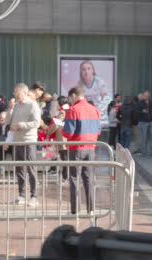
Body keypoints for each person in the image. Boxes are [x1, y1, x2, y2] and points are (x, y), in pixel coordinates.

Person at [62, 86, 101, 215]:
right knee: (89, 178)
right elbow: (98, 130)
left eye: (69, 98)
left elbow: (68, 133)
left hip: (76, 148)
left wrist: (62, 128)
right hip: (91, 147)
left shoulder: (73, 110)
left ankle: (75, 210)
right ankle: (91, 209)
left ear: (73, 96)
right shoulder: (94, 110)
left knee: (74, 178)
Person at [6, 83, 41, 207]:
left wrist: (20, 125)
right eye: (14, 92)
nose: (15, 94)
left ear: (24, 93)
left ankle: (34, 196)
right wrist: (10, 109)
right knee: (19, 169)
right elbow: (7, 121)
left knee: (31, 169)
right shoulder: (15, 106)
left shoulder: (33, 105)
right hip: (17, 142)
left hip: (28, 141)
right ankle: (21, 195)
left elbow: (36, 123)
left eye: (17, 92)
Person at [77, 60, 109, 125]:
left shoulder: (99, 82)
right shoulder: (79, 85)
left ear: (93, 70)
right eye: (83, 69)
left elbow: (106, 98)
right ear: (81, 72)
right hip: (85, 114)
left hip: (98, 112)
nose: (86, 72)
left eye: (88, 69)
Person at [46, 96, 70, 183]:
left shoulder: (62, 112)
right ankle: (66, 177)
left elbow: (57, 124)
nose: (55, 104)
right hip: (67, 138)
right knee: (66, 158)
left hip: (62, 138)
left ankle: (65, 178)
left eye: (56, 102)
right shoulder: (68, 110)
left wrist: (49, 132)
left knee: (65, 159)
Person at [137, 90, 152, 158]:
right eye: (145, 96)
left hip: (150, 122)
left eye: (148, 96)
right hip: (143, 122)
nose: (147, 97)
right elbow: (136, 111)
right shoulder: (140, 103)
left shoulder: (150, 102)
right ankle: (144, 154)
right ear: (143, 96)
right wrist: (142, 111)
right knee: (143, 139)